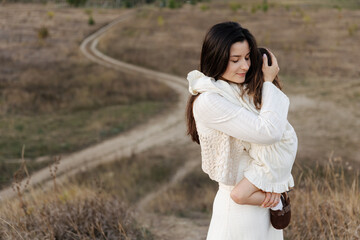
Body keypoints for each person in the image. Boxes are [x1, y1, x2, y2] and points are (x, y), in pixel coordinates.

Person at [185, 21, 298, 239]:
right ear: (215, 59)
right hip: (238, 211)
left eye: (247, 58)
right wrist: (267, 80)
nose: (244, 66)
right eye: (235, 60)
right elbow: (269, 132)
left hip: (266, 201)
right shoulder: (209, 101)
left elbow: (278, 135)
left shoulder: (240, 91)